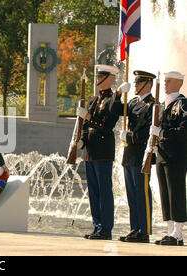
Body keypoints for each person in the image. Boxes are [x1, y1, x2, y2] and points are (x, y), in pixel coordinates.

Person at [76, 65, 122, 240]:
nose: (97, 80)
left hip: (103, 151)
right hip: (90, 151)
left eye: (101, 77)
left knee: (104, 191)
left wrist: (88, 117)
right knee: (93, 192)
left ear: (109, 79)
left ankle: (106, 229)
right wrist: (82, 141)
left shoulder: (113, 101)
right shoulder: (93, 100)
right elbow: (86, 127)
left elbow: (106, 125)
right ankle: (97, 226)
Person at [114, 71, 156, 243]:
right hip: (129, 155)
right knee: (131, 194)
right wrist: (118, 94)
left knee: (142, 193)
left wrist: (128, 137)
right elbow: (115, 110)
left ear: (148, 84)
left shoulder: (152, 106)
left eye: (139, 83)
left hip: (141, 155)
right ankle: (135, 228)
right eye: (136, 83)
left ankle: (144, 231)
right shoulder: (131, 103)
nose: (136, 85)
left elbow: (146, 135)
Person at [150, 71, 186, 246]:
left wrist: (162, 133)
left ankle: (178, 233)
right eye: (164, 81)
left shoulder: (183, 105)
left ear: (179, 84)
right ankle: (170, 230)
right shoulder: (163, 104)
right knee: (165, 193)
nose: (165, 84)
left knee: (176, 192)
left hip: (176, 155)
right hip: (162, 154)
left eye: (169, 81)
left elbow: (183, 131)